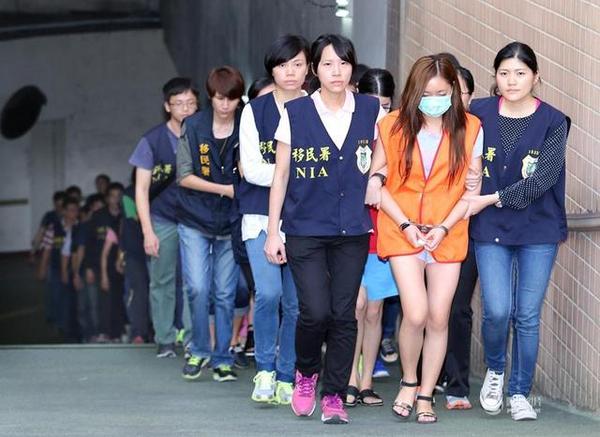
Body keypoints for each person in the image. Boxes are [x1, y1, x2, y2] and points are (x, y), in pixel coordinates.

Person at [265, 34, 385, 424]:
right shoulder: (297, 112)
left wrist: (377, 176)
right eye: (328, 64)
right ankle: (305, 374)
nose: (337, 72)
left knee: (344, 314)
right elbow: (281, 175)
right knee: (315, 312)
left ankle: (333, 394)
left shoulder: (369, 109)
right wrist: (273, 231)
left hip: (352, 229)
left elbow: (386, 152)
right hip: (305, 228)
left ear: (353, 68)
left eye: (344, 63)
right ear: (315, 69)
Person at [368, 54, 483, 424]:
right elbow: (377, 181)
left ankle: (425, 394)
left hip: (447, 232)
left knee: (438, 316)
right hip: (401, 228)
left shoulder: (471, 128)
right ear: (414, 92)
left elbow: (471, 190)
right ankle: (408, 380)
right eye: (427, 94)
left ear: (453, 92)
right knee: (415, 312)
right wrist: (406, 225)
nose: (434, 100)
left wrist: (444, 227)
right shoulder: (391, 126)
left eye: (442, 93)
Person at [464, 42, 568, 421]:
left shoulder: (554, 121)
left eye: (521, 73)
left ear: (536, 77)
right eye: (504, 73)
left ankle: (520, 390)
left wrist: (490, 198)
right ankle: (495, 369)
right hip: (490, 228)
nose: (512, 81)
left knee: (526, 315)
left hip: (538, 228)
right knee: (496, 310)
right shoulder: (477, 112)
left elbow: (541, 180)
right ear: (495, 76)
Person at [239, 34, 309, 405]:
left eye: (298, 64)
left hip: (305, 219)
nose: (290, 72)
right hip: (259, 217)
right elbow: (251, 169)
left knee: (297, 304)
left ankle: (286, 373)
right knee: (269, 293)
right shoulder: (254, 111)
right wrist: (294, 173)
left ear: (309, 68)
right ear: (272, 70)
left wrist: (287, 174)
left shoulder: (317, 107)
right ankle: (264, 369)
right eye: (283, 65)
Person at [177, 66, 244, 382]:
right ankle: (200, 349)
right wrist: (225, 189)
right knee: (198, 288)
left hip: (231, 221)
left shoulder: (246, 124)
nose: (225, 105)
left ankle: (222, 358)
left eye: (231, 98)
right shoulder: (193, 126)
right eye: (220, 98)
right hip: (195, 218)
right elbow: (184, 175)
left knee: (225, 293)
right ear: (210, 96)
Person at [129, 77, 197, 358]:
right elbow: (141, 190)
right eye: (179, 103)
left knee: (195, 281)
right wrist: (148, 231)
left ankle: (194, 338)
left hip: (196, 218)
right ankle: (165, 338)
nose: (186, 109)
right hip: (162, 219)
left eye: (191, 103)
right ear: (167, 106)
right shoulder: (152, 140)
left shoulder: (203, 134)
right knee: (162, 280)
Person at [346, 68, 397, 408]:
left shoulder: (398, 132)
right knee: (356, 306)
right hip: (352, 229)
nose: (379, 111)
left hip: (384, 231)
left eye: (386, 105)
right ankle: (349, 377)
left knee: (375, 310)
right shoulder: (348, 127)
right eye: (373, 103)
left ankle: (366, 382)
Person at [441, 64, 479, 410]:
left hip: (467, 231)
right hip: (426, 230)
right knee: (425, 308)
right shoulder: (423, 128)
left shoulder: (478, 128)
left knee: (457, 308)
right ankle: (424, 375)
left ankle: (456, 384)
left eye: (459, 93)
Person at [38, 197, 80, 341]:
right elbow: (47, 250)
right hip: (56, 268)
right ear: (64, 212)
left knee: (71, 299)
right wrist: (42, 268)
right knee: (57, 296)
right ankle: (58, 325)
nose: (73, 213)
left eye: (76, 210)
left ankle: (70, 325)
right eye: (70, 210)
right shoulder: (54, 227)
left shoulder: (80, 227)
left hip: (75, 269)